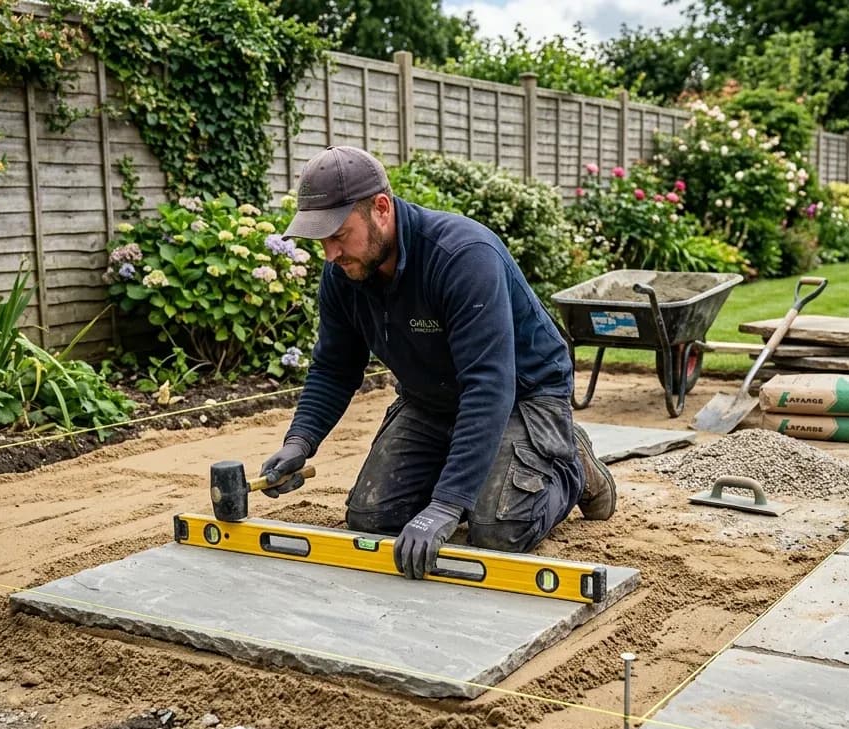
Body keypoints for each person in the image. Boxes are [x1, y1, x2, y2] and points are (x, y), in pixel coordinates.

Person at [258, 145, 616, 580]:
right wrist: (300, 441)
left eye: (338, 234)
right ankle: (482, 470)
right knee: (372, 519)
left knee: (497, 529)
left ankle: (570, 464)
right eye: (321, 240)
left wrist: (447, 503)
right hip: (432, 400)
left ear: (382, 209)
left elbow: (489, 386)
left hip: (523, 395)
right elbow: (334, 368)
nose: (330, 253)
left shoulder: (462, 256)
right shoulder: (345, 275)